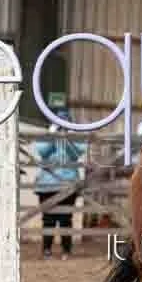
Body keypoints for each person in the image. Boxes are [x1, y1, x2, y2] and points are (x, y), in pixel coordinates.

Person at [34, 108, 86, 259]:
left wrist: (67, 137)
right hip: (47, 184)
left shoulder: (75, 137)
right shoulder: (47, 135)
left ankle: (66, 250)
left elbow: (76, 154)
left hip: (68, 184)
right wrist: (53, 134)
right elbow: (42, 152)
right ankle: (46, 250)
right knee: (48, 219)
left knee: (65, 219)